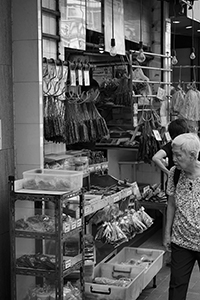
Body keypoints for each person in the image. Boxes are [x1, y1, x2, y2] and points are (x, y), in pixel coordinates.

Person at [164, 133, 200, 300]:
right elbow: (171, 204)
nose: (174, 159)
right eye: (173, 154)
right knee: (176, 286)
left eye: (178, 155)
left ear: (192, 156)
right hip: (181, 241)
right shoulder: (174, 173)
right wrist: (167, 233)